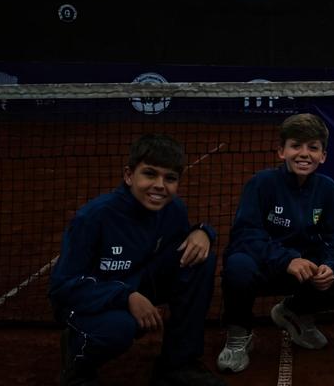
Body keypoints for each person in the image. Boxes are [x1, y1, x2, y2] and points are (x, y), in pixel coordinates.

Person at [49, 134, 224, 386]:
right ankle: (78, 366)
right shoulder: (93, 217)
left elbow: (176, 255)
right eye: (150, 174)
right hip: (91, 299)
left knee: (198, 260)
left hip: (135, 282)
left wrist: (204, 231)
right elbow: (61, 288)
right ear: (129, 175)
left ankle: (178, 363)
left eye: (170, 178)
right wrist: (126, 296)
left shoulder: (173, 210)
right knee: (119, 328)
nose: (160, 186)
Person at [217, 113, 334, 373]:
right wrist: (286, 259)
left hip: (305, 272)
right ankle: (239, 333)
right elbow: (245, 235)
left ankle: (294, 311)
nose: (304, 154)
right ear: (281, 151)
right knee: (237, 266)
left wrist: (329, 266)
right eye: (296, 146)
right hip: (266, 267)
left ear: (323, 155)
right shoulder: (261, 183)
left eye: (313, 147)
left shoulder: (328, 189)